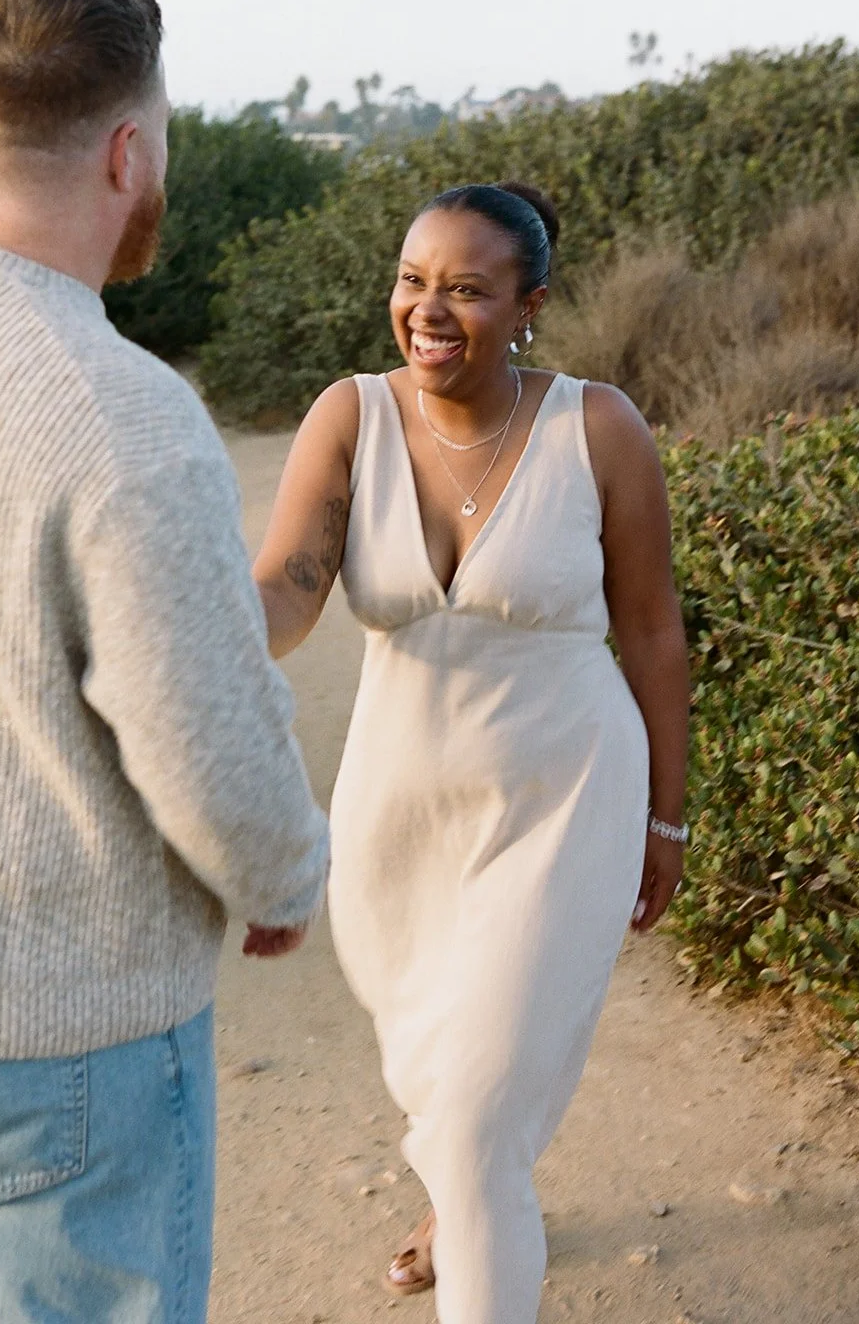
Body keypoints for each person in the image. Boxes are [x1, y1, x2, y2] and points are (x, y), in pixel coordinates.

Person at [0, 0, 330, 1323]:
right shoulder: (117, 410)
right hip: (65, 1022)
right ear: (129, 152)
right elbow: (200, 733)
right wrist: (282, 873)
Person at [253, 180, 690, 1324]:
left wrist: (667, 814)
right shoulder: (350, 416)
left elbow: (651, 630)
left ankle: (472, 1197)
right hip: (395, 814)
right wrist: (182, 622)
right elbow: (286, 590)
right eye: (411, 280)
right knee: (438, 1076)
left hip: (564, 797)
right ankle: (461, 1194)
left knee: (479, 1111)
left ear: (528, 306)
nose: (428, 309)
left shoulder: (597, 428)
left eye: (465, 288)